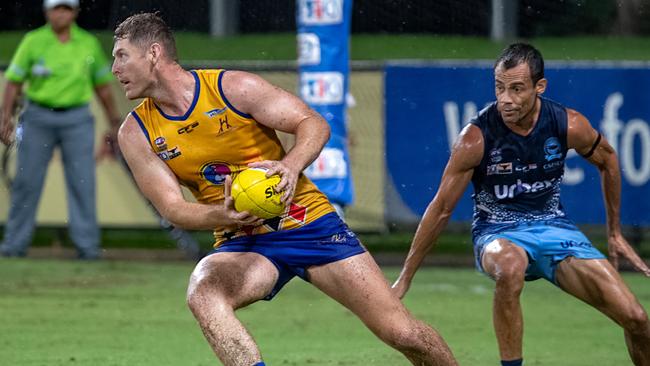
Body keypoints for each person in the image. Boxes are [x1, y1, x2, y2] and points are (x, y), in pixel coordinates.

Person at [111, 12, 457, 366]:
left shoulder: (231, 88)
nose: (114, 69)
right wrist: (222, 214)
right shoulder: (135, 133)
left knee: (402, 333)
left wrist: (290, 167)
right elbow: (172, 208)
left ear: (153, 53)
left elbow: (313, 124)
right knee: (203, 292)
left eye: (121, 55)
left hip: (308, 224)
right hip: (242, 242)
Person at [391, 42, 650, 366]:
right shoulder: (476, 137)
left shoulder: (567, 124)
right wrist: (406, 276)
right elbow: (442, 208)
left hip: (555, 230)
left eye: (516, 89)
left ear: (539, 87)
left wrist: (615, 232)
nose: (506, 99)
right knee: (511, 267)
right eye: (499, 88)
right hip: (497, 232)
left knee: (638, 319)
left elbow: (608, 159)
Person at [0, 0, 122, 259]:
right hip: (37, 117)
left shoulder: (87, 43)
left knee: (82, 183)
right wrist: (5, 116)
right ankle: (14, 245)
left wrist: (114, 120)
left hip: (77, 119)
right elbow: (13, 81)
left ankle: (88, 248)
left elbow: (102, 85)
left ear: (76, 12)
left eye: (66, 8)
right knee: (26, 182)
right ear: (46, 11)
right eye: (57, 8)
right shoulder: (33, 41)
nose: (61, 13)